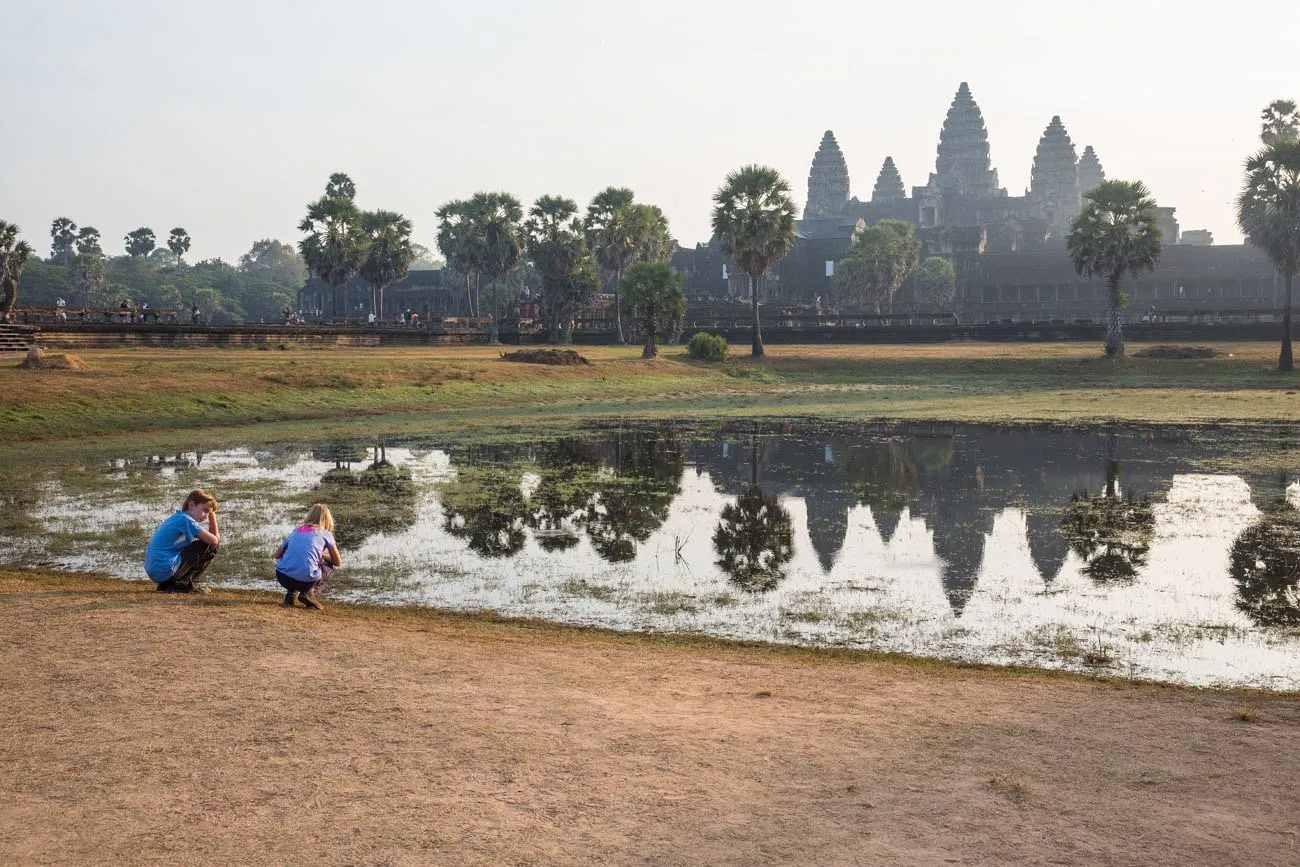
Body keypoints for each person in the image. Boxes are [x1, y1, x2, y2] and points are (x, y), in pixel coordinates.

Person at [144, 489, 220, 593]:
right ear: (191, 505)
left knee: (196, 546)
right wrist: (213, 516)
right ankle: (183, 583)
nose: (206, 516)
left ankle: (169, 585)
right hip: (164, 570)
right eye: (205, 510)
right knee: (209, 546)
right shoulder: (186, 520)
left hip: (157, 572)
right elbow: (214, 540)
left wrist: (210, 512)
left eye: (209, 513)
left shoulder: (178, 517)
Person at [273, 503, 341, 610]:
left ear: (309, 516)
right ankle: (311, 594)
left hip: (283, 577)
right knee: (330, 567)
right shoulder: (326, 534)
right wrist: (324, 557)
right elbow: (338, 562)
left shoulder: (296, 530)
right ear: (327, 519)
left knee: (294, 561)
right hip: (306, 580)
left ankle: (290, 596)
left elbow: (277, 555)